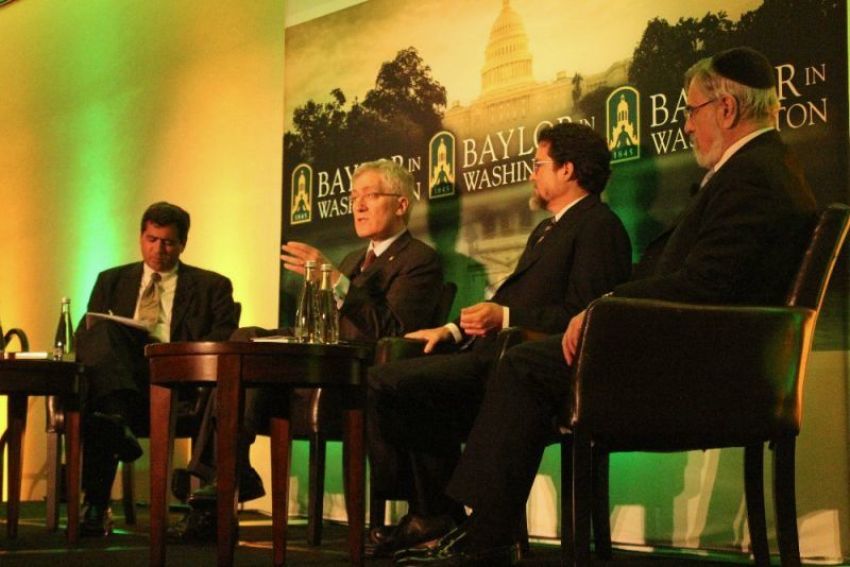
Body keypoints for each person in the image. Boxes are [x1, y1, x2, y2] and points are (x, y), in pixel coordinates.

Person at [397, 47, 818, 566]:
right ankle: (480, 528)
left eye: (691, 111)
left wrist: (602, 308)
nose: (686, 126)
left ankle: (483, 535)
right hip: (709, 356)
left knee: (524, 365)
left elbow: (705, 285)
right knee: (506, 364)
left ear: (726, 110)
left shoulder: (753, 176)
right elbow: (696, 278)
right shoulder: (760, 169)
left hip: (709, 372)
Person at [367, 122, 633, 557]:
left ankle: (442, 517)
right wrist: (451, 329)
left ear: (567, 170)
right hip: (494, 355)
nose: (531, 173)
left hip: (528, 366)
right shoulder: (545, 230)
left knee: (397, 385)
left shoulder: (598, 226)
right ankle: (435, 513)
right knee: (390, 381)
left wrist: (506, 315)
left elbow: (584, 316)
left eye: (538, 164)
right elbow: (504, 301)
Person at [176, 158, 444, 539]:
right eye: (354, 197)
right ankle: (225, 476)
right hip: (320, 361)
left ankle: (220, 486)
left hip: (359, 376)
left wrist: (335, 281)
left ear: (401, 204)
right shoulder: (355, 259)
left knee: (247, 361)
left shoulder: (420, 260)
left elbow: (392, 332)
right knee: (244, 341)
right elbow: (321, 324)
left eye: (370, 195)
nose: (359, 205)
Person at [74, 201, 238, 537]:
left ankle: (112, 436)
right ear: (140, 237)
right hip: (124, 380)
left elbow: (222, 337)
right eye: (151, 239)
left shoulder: (212, 286)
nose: (158, 249)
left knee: (102, 409)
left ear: (183, 244)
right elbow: (85, 336)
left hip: (179, 382)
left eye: (168, 242)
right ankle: (97, 495)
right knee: (100, 334)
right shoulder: (111, 280)